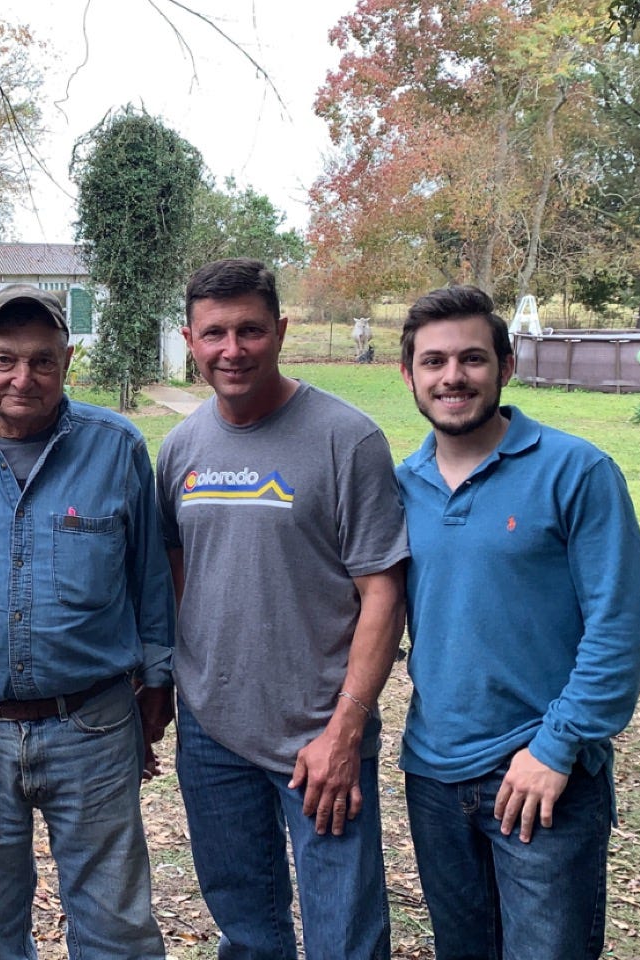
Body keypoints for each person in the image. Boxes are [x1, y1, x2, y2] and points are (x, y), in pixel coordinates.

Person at [0, 285, 174, 960]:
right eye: (5, 359)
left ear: (68, 361)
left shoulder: (118, 449)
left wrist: (158, 685)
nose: (24, 378)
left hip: (94, 726)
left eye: (43, 360)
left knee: (117, 928)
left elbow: (150, 579)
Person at [393, 285, 640, 960]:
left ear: (506, 366)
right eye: (433, 362)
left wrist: (556, 747)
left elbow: (625, 627)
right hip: (432, 773)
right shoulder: (401, 486)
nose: (452, 377)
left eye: (472, 359)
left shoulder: (577, 472)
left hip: (542, 777)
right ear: (409, 376)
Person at [156, 258, 408, 960]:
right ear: (190, 339)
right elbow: (176, 574)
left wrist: (345, 730)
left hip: (320, 733)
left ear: (281, 330)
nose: (231, 350)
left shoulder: (346, 439)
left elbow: (383, 591)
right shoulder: (181, 448)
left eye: (250, 331)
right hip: (213, 733)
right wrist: (173, 693)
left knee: (344, 937)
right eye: (214, 334)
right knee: (248, 930)